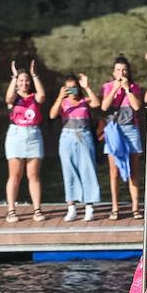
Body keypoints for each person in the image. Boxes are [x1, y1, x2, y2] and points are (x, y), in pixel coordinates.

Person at [49, 72, 102, 223]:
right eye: (69, 88)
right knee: (69, 171)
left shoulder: (85, 100)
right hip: (67, 136)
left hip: (84, 136)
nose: (72, 91)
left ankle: (89, 207)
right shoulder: (63, 102)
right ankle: (71, 207)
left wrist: (87, 87)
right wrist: (60, 97)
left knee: (87, 169)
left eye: (74, 88)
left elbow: (97, 104)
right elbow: (52, 115)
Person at [100, 55, 144, 220]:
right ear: (113, 72)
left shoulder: (134, 87)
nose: (121, 72)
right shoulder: (108, 86)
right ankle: (115, 207)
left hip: (131, 129)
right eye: (118, 70)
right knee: (114, 171)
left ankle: (135, 207)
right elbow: (104, 106)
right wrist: (114, 89)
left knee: (134, 170)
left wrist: (127, 89)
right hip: (114, 131)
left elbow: (137, 106)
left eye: (124, 70)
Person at [3, 59, 46, 223]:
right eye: (21, 80)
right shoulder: (14, 98)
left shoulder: (34, 97)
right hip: (16, 134)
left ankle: (37, 209)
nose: (24, 83)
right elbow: (8, 98)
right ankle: (11, 210)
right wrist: (14, 78)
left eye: (26, 80)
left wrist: (34, 75)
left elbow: (42, 96)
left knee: (33, 175)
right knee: (14, 175)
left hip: (33, 134)